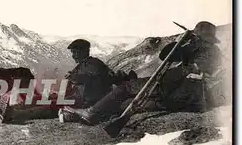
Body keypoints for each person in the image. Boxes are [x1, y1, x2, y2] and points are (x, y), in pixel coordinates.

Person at [67, 34, 209, 125]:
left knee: (126, 88)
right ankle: (92, 113)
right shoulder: (195, 63)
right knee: (123, 104)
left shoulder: (192, 67)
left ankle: (90, 112)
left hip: (166, 93)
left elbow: (171, 79)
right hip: (168, 93)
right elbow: (167, 57)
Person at [58, 39, 137, 122]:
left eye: (75, 52)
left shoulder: (94, 64)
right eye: (73, 52)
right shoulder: (80, 67)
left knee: (57, 104)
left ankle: (73, 114)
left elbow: (96, 78)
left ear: (84, 51)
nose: (73, 56)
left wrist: (76, 78)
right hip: (85, 100)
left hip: (92, 102)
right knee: (56, 102)